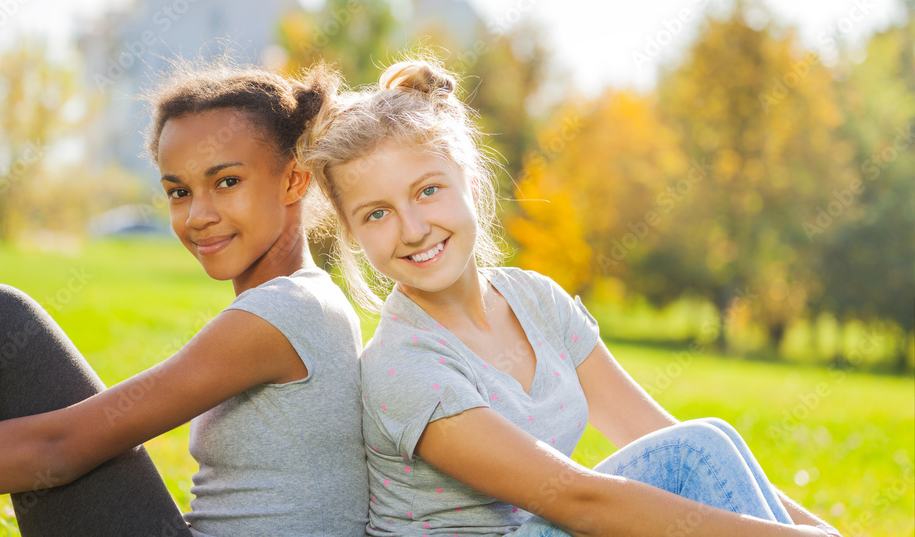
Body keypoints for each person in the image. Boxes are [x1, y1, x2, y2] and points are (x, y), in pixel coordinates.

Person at [295, 57, 842, 537]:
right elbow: (579, 501)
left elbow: (656, 436)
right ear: (350, 233)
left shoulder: (536, 300)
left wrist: (817, 530)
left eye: (427, 190)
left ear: (469, 179)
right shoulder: (403, 369)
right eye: (377, 214)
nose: (412, 229)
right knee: (698, 452)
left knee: (705, 442)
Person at [0, 60, 369, 537]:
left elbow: (60, 449)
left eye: (227, 181)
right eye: (179, 191)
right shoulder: (306, 302)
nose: (197, 215)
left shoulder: (286, 312)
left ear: (294, 180)